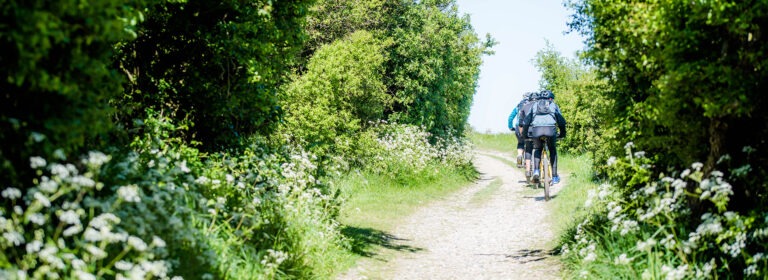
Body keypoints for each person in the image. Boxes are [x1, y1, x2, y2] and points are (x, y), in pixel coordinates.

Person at [522, 90, 566, 184]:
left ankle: (536, 171)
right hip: (550, 130)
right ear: (550, 98)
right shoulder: (553, 105)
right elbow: (561, 120)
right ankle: (554, 177)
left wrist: (525, 135)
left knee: (537, 149)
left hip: (536, 131)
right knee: (552, 150)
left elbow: (526, 121)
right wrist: (562, 133)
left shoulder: (534, 105)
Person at [508, 92, 533, 167]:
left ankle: (519, 155)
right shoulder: (532, 105)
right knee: (530, 144)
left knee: (521, 142)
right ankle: (530, 162)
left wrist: (510, 127)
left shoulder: (518, 106)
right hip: (530, 127)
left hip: (518, 127)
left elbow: (510, 117)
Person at [518, 92, 538, 177]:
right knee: (538, 148)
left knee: (528, 148)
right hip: (538, 131)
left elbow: (520, 123)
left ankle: (527, 171)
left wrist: (522, 134)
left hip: (528, 131)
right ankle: (539, 168)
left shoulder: (524, 106)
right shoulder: (540, 106)